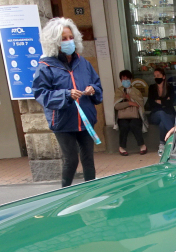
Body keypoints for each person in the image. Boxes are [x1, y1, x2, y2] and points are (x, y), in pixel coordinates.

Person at [33, 17, 103, 188]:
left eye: (70, 37)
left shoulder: (83, 62)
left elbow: (97, 84)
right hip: (63, 122)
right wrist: (66, 94)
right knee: (71, 159)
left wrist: (93, 89)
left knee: (88, 159)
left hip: (85, 119)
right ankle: (64, 193)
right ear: (54, 42)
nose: (68, 41)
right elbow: (41, 94)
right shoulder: (45, 66)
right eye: (63, 38)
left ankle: (91, 191)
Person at [114, 70, 147, 156]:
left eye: (127, 78)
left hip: (135, 116)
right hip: (123, 117)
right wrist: (129, 103)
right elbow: (116, 106)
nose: (125, 80)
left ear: (131, 79)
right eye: (123, 79)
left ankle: (142, 145)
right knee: (124, 125)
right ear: (120, 80)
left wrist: (129, 99)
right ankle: (122, 147)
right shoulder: (118, 91)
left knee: (134, 124)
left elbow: (140, 104)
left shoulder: (136, 91)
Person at [145, 68, 176, 154]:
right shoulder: (152, 88)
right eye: (155, 76)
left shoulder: (169, 87)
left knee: (163, 123)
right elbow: (151, 103)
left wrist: (159, 101)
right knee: (161, 113)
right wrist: (165, 101)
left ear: (163, 77)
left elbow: (171, 102)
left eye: (158, 75)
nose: (156, 77)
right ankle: (175, 137)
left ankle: (162, 145)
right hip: (155, 115)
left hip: (169, 113)